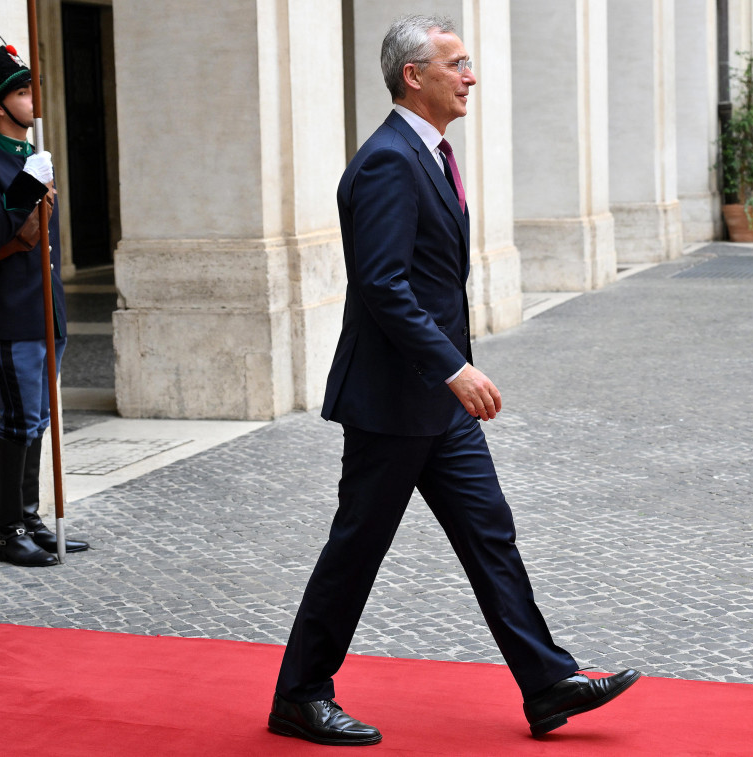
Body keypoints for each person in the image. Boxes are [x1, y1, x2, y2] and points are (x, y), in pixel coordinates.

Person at [267, 15, 639, 746]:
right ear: (415, 76)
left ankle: (546, 681)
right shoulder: (388, 160)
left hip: (436, 406)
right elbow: (382, 285)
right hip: (392, 399)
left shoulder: (427, 154)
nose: (470, 76)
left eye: (468, 64)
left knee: (489, 531)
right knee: (357, 548)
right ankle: (299, 693)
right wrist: (454, 366)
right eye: (457, 64)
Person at [0, 44, 89, 567]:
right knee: (17, 419)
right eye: (22, 91)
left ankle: (32, 521)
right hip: (7, 315)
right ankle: (8, 533)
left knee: (36, 421)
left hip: (42, 312)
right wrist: (29, 184)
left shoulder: (31, 159)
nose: (34, 99)